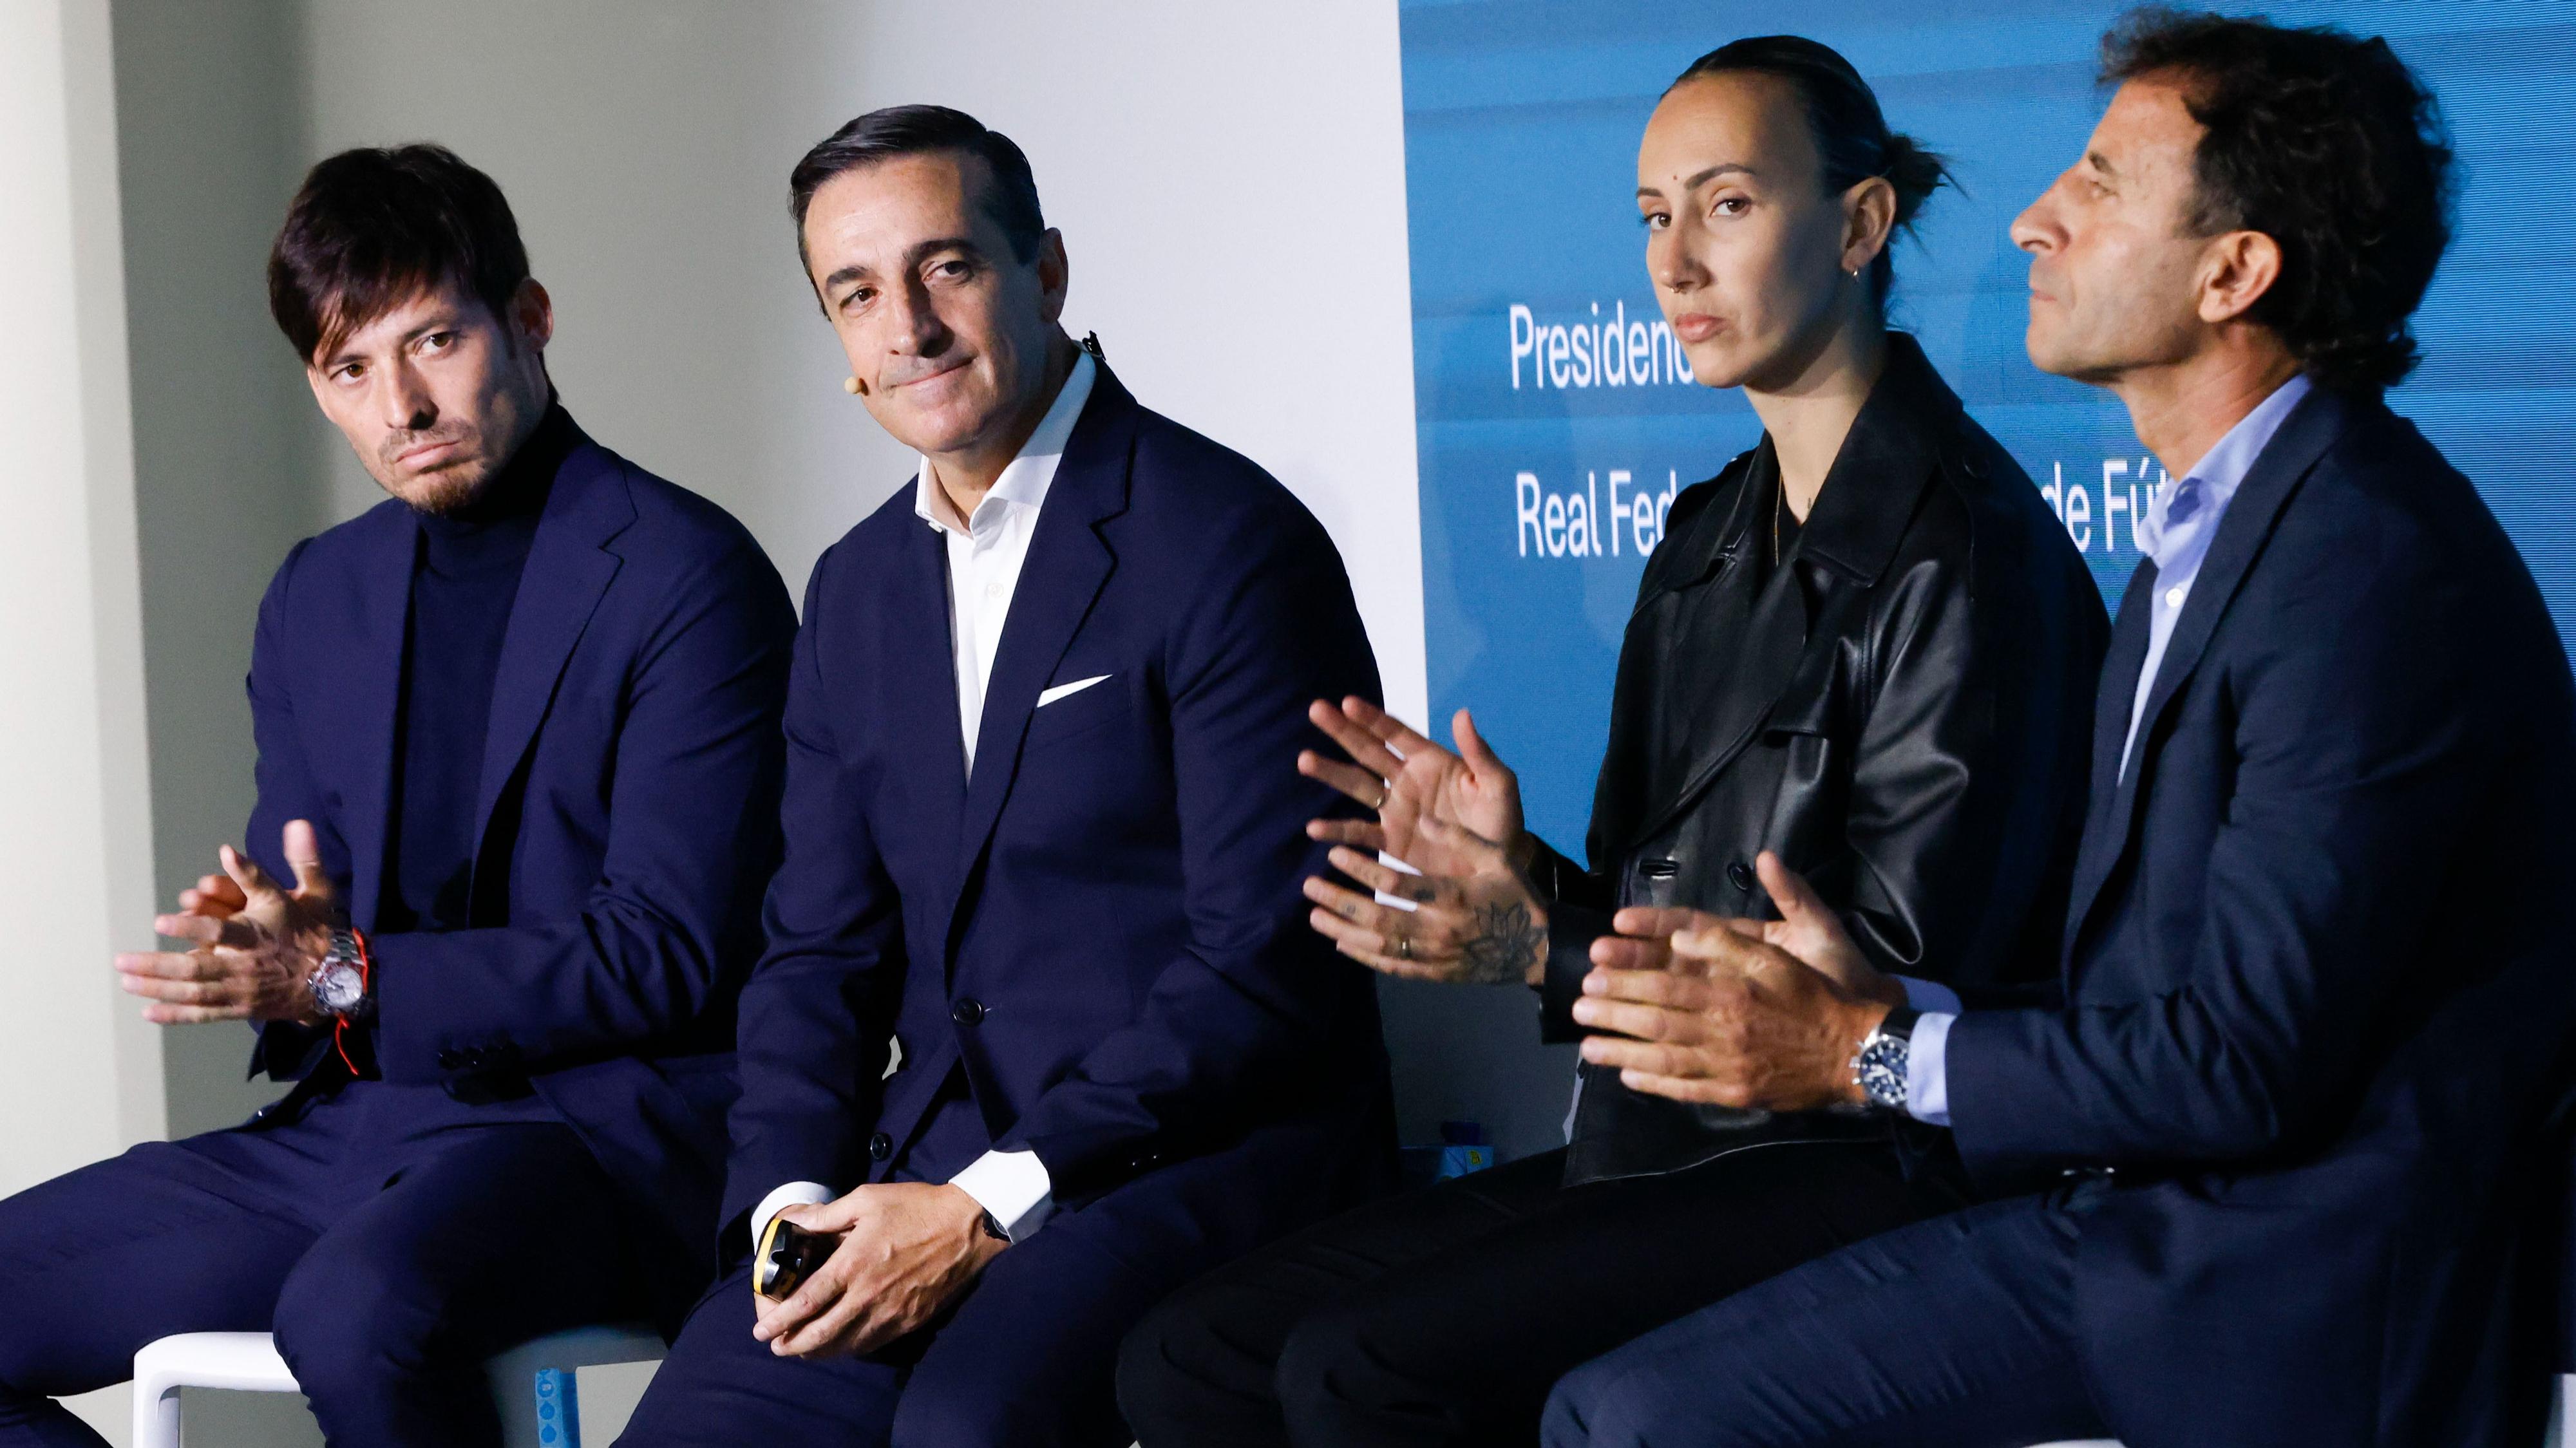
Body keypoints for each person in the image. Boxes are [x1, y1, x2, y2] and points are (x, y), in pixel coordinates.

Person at [1540, 11, 2575, 1447]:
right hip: (2125, 1217)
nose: (2032, 220)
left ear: (2233, 272)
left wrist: (1867, 1054)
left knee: (1632, 1421)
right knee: (1607, 1409)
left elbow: (2240, 1060)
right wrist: (1899, 1010)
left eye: (2099, 185)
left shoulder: (2365, 569)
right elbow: (2149, 1001)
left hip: (2294, 1280)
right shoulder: (2210, 537)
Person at [1118, 37, 2106, 1448]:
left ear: (1861, 225)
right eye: (1653, 217)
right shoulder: (1701, 538)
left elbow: (1868, 990)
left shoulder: (1968, 554)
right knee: (1190, 1355)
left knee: (1360, 1368)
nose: (1674, 263)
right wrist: (1513, 880)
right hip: (1660, 1140)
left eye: (1726, 205)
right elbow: (1652, 909)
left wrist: (1544, 946)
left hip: (1856, 1157)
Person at [612, 105, 1393, 1448]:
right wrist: (788, 1208)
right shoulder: (855, 589)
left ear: (1046, 272)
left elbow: (1264, 965)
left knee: (964, 1429)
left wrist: (987, 1203)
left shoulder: (1225, 542)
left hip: (1200, 1162)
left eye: (947, 267)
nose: (907, 328)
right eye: (858, 294)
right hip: (929, 1165)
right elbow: (817, 957)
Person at [0, 145, 795, 1447]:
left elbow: (668, 951)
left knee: (358, 1313)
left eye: (434, 341)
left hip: (604, 1130)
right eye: (350, 368)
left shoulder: (687, 574)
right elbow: (314, 923)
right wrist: (275, 947)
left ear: (528, 318)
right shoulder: (319, 595)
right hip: (358, 1131)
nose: (402, 406)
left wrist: (349, 975)